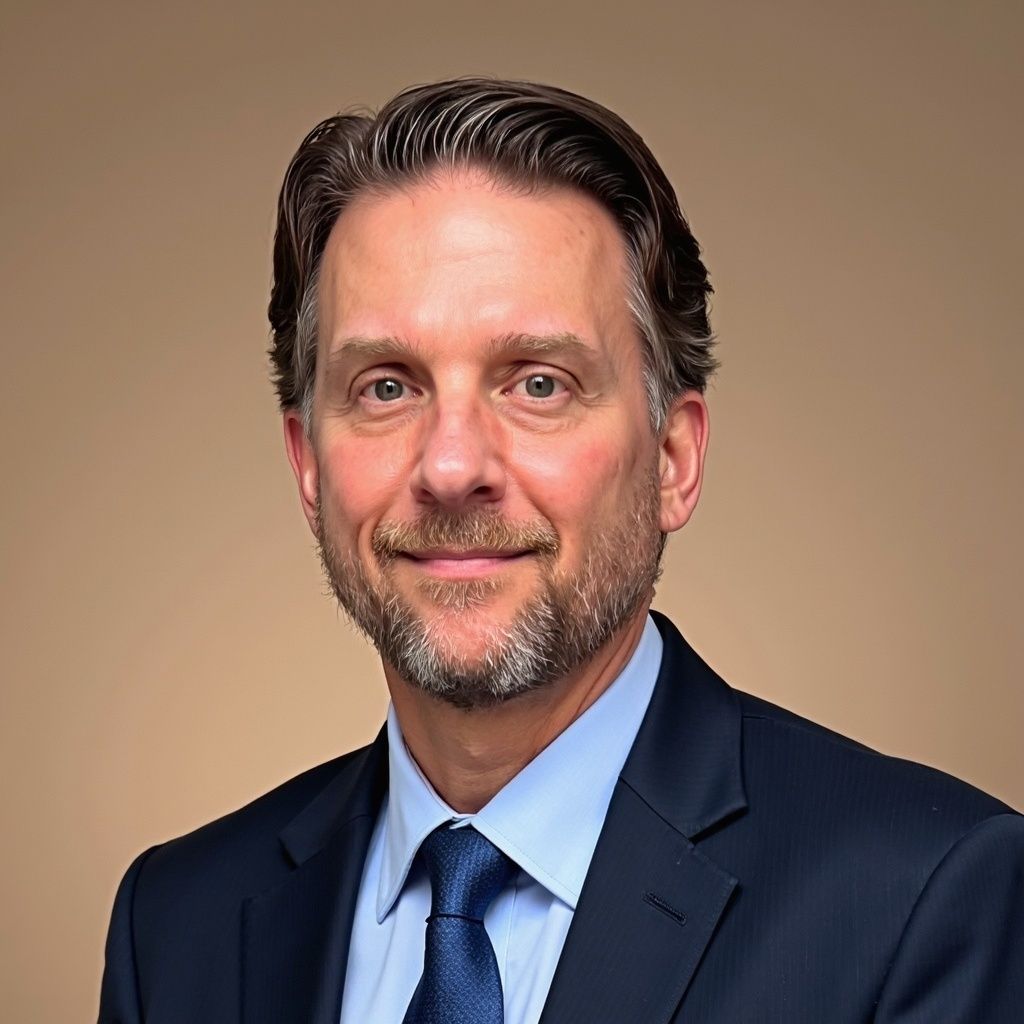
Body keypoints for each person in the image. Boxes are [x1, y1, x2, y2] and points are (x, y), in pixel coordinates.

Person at [98, 78, 1024, 1024]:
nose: (451, 467)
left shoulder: (923, 901)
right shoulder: (173, 927)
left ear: (673, 458)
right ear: (308, 466)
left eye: (538, 383)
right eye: (386, 387)